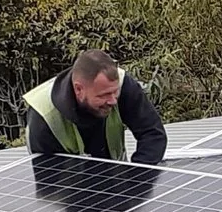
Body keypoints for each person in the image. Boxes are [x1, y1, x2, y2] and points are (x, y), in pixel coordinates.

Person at [23, 50, 168, 164]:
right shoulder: (43, 117)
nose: (112, 100)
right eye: (103, 95)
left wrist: (135, 180)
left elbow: (152, 134)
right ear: (79, 89)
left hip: (118, 180)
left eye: (114, 92)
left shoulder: (123, 85)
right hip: (69, 191)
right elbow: (48, 180)